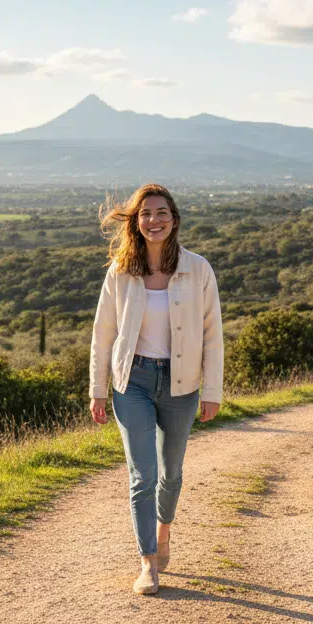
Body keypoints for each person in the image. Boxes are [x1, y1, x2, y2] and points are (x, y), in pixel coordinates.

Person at [89, 183, 224, 595]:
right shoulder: (121, 271)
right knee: (142, 476)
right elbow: (103, 333)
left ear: (174, 219)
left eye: (161, 212)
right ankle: (148, 562)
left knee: (172, 474)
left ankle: (164, 531)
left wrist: (212, 390)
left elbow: (212, 333)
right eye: (146, 213)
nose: (154, 220)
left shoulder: (197, 268)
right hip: (134, 382)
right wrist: (97, 388)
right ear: (136, 221)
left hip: (182, 384)